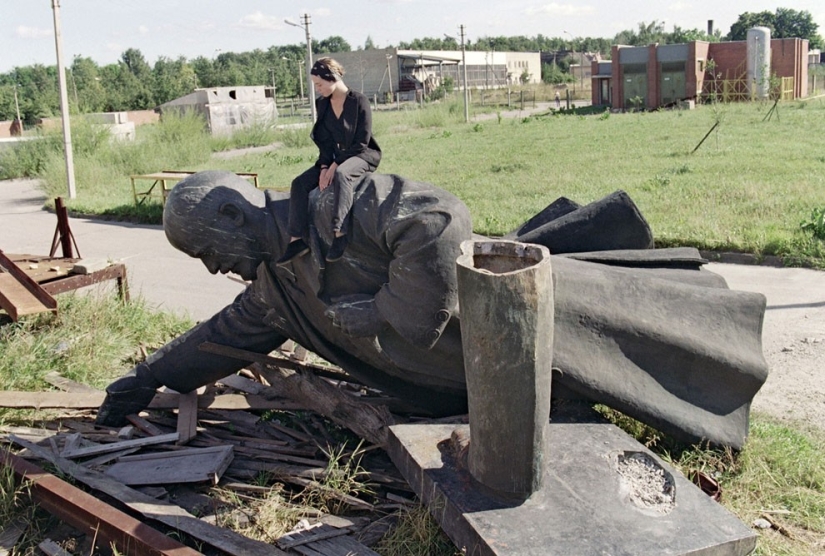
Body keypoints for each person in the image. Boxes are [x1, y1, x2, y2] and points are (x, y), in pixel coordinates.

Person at [96, 170, 769, 450]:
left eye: (210, 251)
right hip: (476, 379)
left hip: (525, 322)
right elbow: (227, 337)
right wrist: (151, 377)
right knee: (577, 403)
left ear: (232, 212)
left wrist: (389, 312)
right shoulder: (278, 283)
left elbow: (438, 218)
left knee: (654, 358)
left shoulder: (337, 200)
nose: (215, 268)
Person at [278, 57, 381, 266]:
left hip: (361, 154)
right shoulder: (322, 104)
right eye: (315, 85)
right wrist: (325, 166)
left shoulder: (359, 101)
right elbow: (324, 141)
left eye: (319, 84)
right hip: (333, 157)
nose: (317, 89)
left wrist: (334, 167)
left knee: (342, 174)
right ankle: (297, 240)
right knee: (299, 184)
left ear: (332, 78)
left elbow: (361, 141)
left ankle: (339, 233)